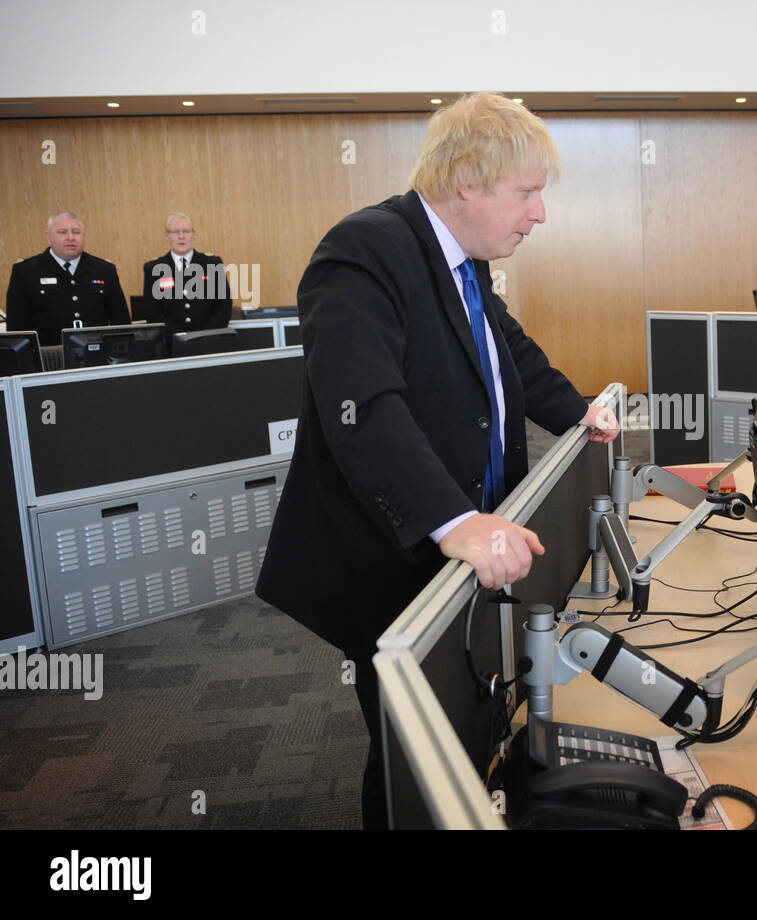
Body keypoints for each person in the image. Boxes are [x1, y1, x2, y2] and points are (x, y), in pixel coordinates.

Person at [255, 93, 618, 829]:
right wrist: (453, 520)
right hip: (391, 552)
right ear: (468, 182)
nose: (539, 214)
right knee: (411, 755)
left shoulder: (465, 259)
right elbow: (363, 406)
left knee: (469, 728)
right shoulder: (364, 249)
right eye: (527, 193)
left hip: (458, 551)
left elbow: (504, 351)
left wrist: (575, 411)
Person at [5, 211, 129, 346]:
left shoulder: (104, 270)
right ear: (48, 237)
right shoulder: (26, 271)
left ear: (84, 237)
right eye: (62, 232)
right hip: (48, 357)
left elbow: (121, 322)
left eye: (76, 232)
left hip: (98, 355)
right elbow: (17, 331)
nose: (70, 237)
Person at [141, 213, 231, 333]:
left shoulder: (212, 263)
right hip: (171, 344)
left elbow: (224, 306)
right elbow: (152, 312)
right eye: (175, 232)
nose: (181, 236)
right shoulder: (153, 268)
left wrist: (204, 336)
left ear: (193, 234)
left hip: (209, 341)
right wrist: (179, 337)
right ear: (166, 236)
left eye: (186, 231)